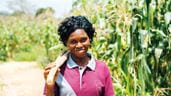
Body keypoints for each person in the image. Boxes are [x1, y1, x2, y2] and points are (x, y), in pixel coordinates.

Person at [43, 16, 115, 96]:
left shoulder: (102, 68)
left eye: (83, 40)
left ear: (90, 39)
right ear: (66, 43)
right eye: (73, 42)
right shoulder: (57, 70)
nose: (79, 45)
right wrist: (49, 85)